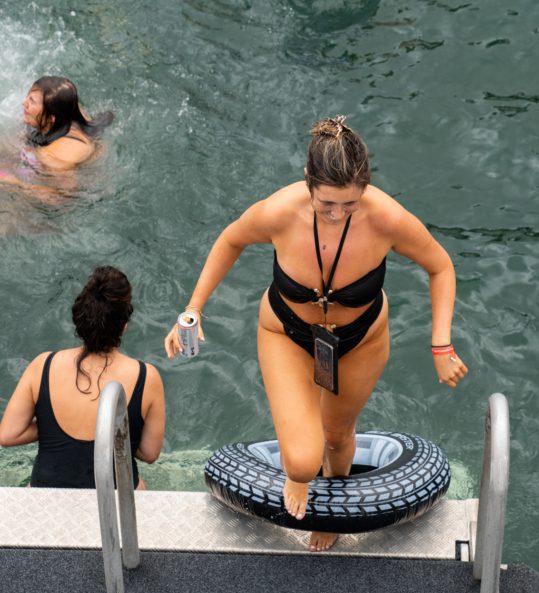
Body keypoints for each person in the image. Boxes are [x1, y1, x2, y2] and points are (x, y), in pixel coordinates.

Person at [164, 116, 468, 551]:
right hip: (286, 333)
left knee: (339, 436)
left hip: (362, 338)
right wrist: (193, 308)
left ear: (365, 186)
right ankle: (303, 476)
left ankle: (330, 513)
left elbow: (440, 266)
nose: (338, 214)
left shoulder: (387, 219)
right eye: (327, 203)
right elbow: (230, 240)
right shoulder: (279, 212)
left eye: (350, 204)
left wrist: (441, 343)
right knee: (304, 460)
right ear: (308, 181)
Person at [0, 266, 165, 489]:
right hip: (114, 500)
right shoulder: (147, 377)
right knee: (140, 487)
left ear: (80, 321)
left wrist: (51, 426)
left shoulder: (43, 365)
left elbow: (8, 434)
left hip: (48, 493)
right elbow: (150, 453)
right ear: (124, 327)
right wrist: (111, 431)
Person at [0, 76, 113, 195]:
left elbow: (63, 197)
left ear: (51, 118)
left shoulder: (53, 156)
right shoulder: (65, 109)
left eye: (32, 101)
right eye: (28, 97)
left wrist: (15, 183)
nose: (24, 103)